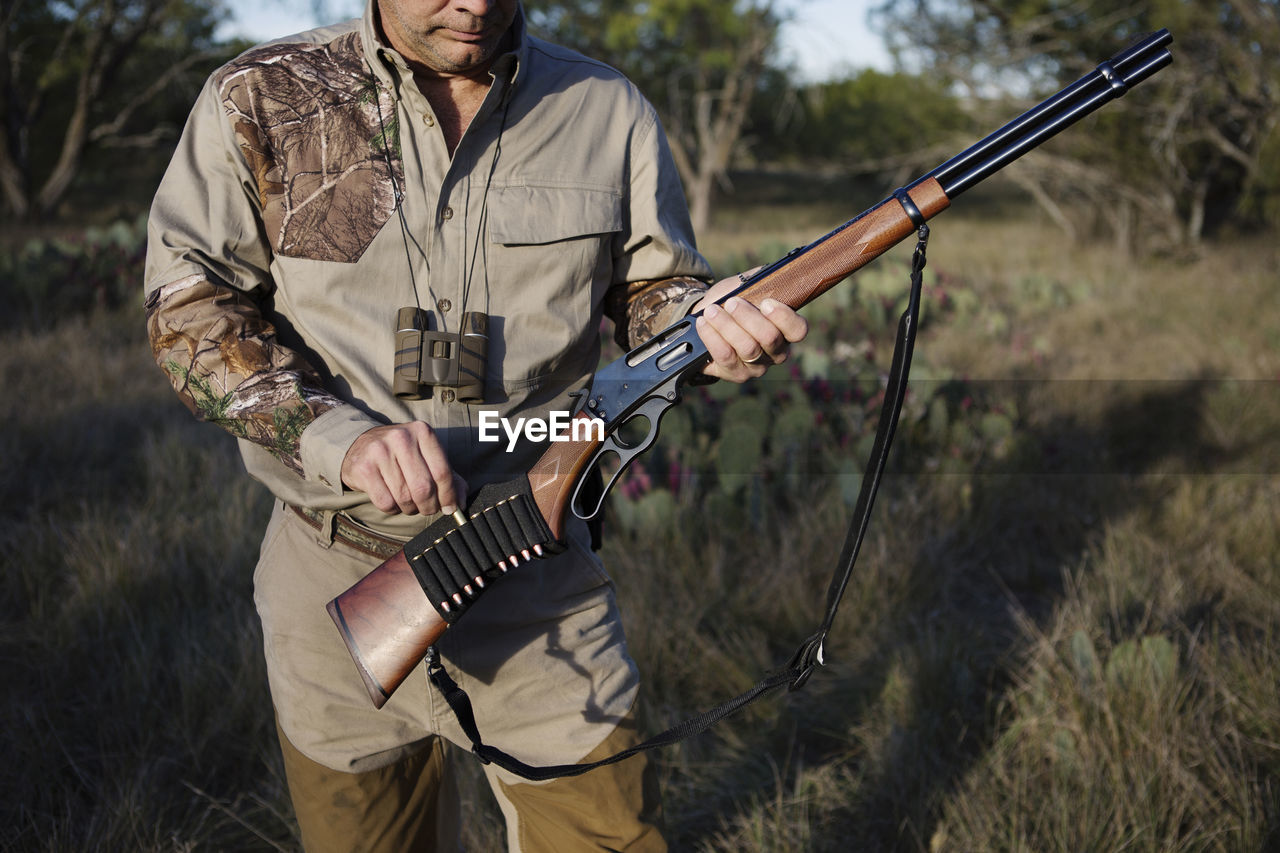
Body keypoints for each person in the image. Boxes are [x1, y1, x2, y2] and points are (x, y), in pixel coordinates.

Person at [144, 0, 807, 849]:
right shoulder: (262, 96)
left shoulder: (604, 106)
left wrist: (707, 323)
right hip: (333, 579)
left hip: (536, 576)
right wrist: (336, 436)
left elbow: (652, 296)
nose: (477, 3)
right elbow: (190, 306)